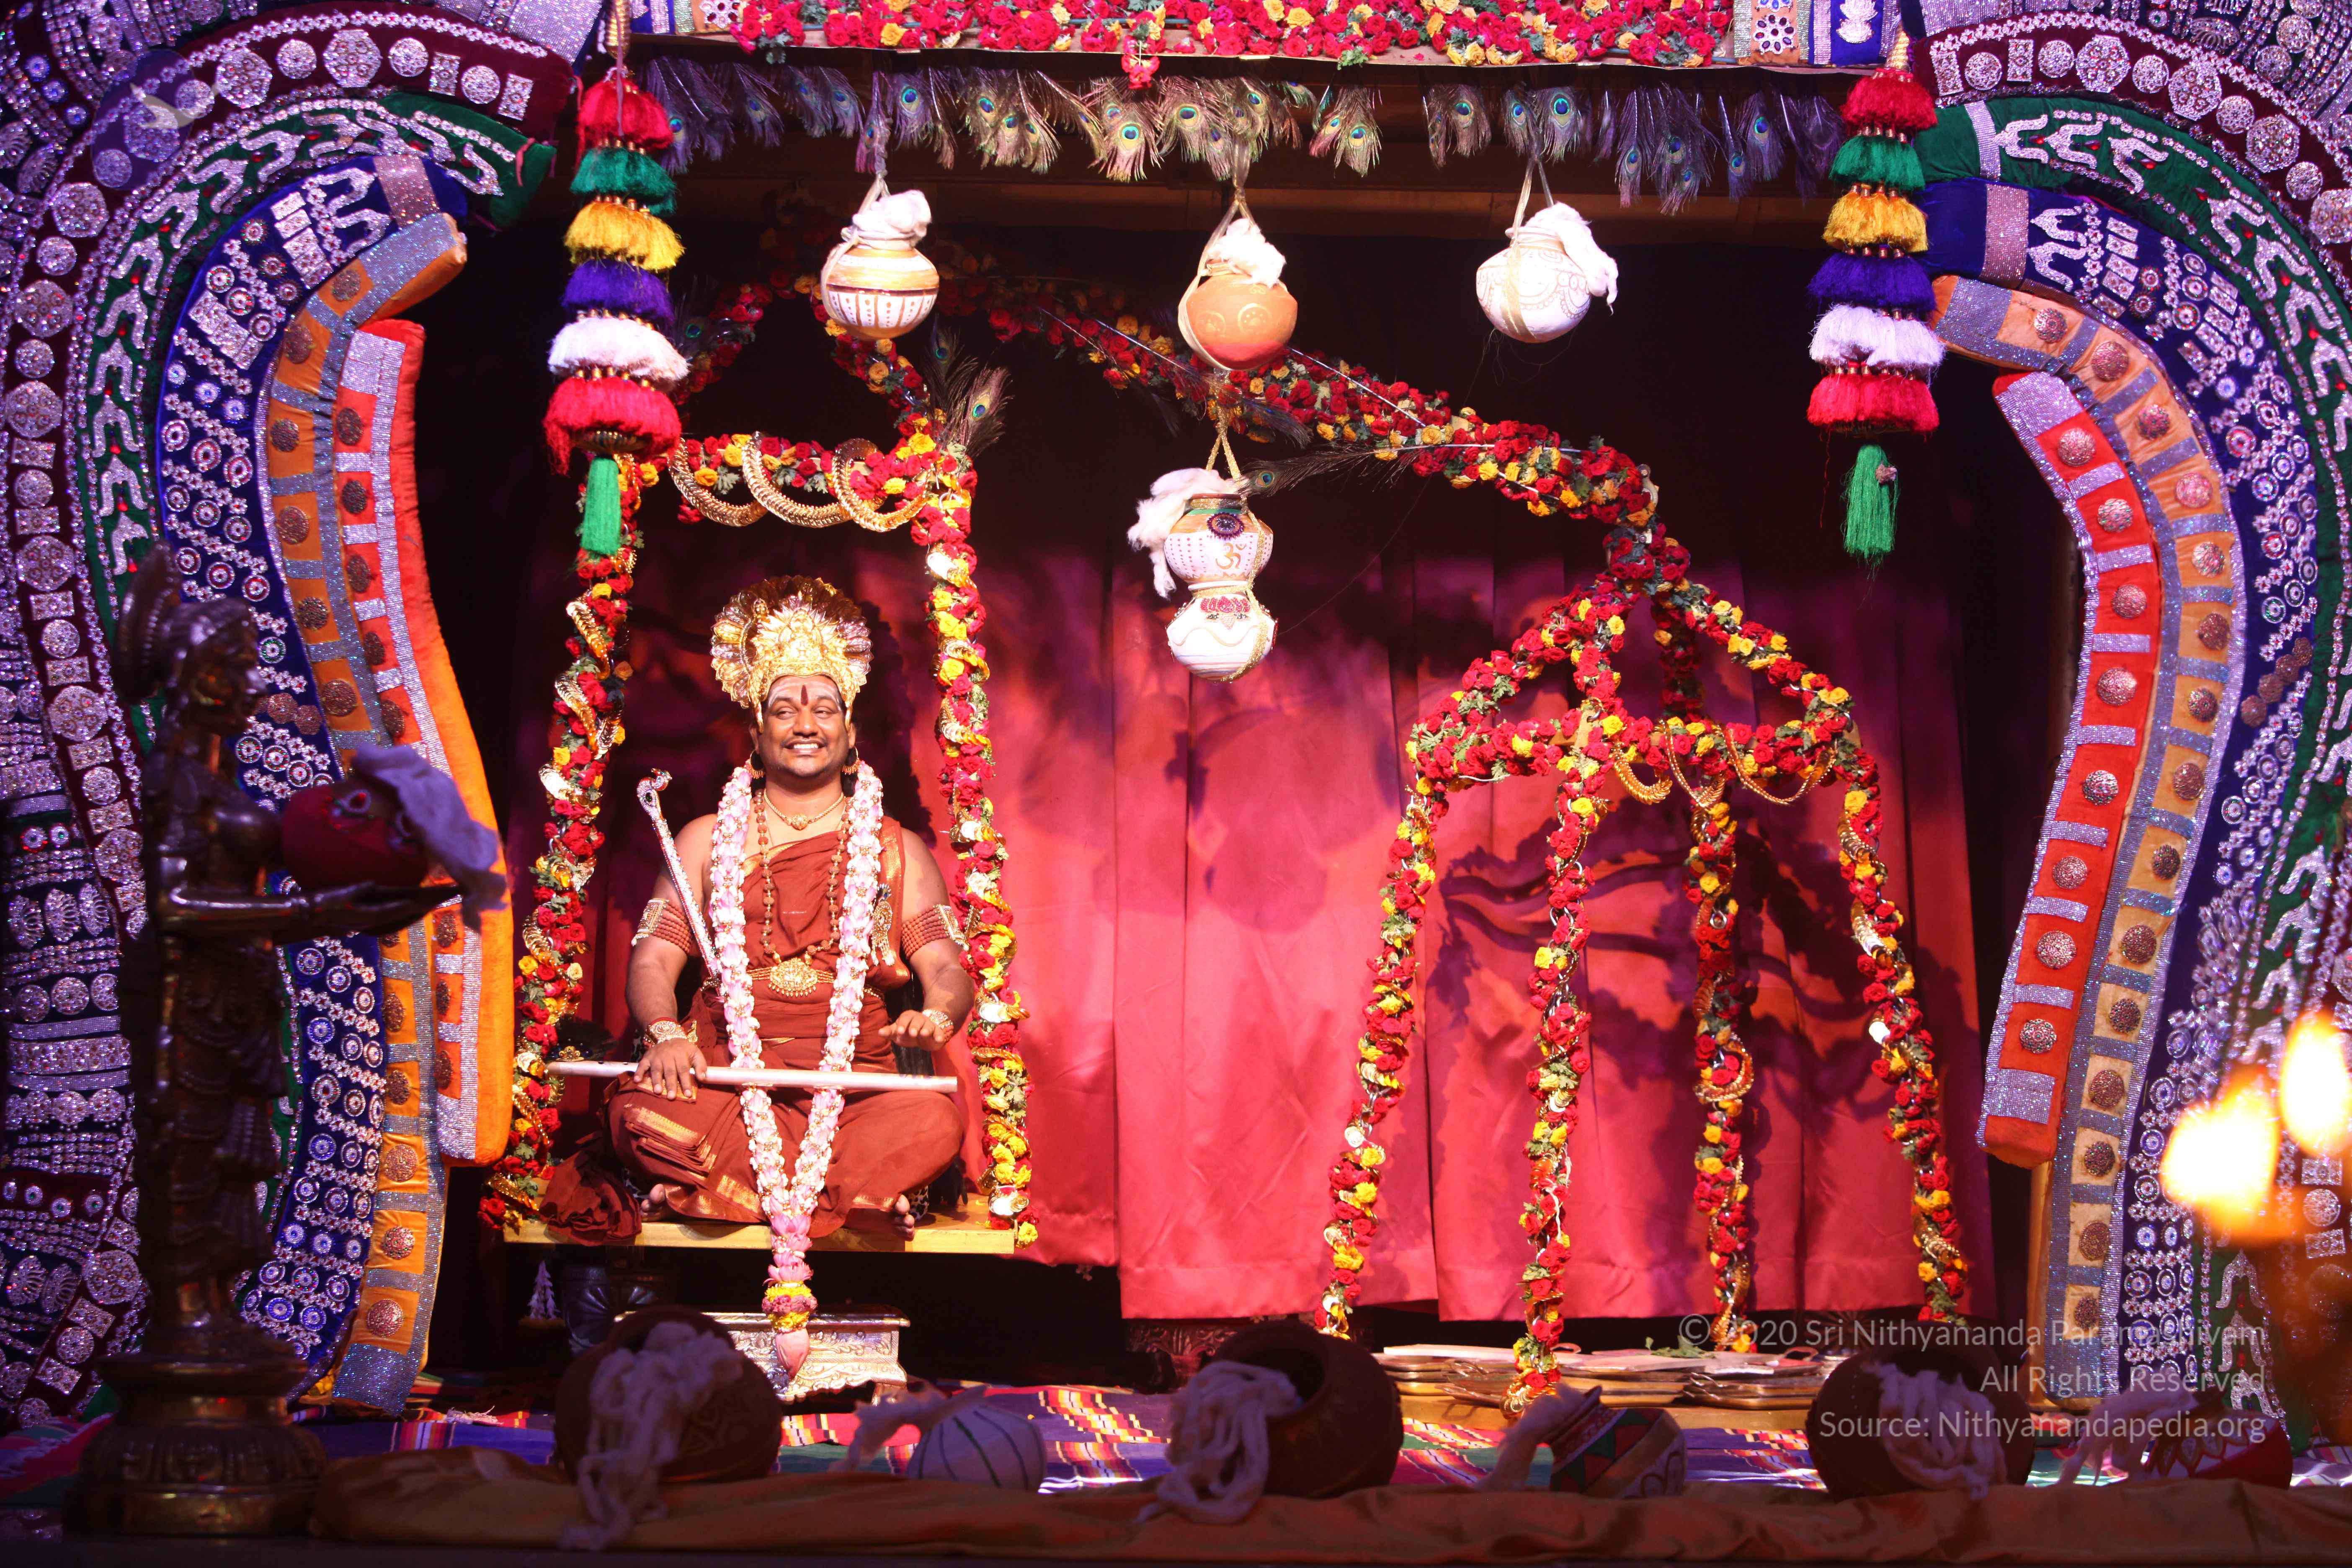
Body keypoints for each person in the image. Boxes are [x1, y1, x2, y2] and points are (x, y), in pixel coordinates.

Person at [605, 576, 970, 1241]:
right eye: (784, 710)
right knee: (641, 1112)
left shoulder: (895, 846)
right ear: (756, 730)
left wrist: (938, 1016)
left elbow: (945, 967)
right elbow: (654, 959)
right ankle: (854, 1195)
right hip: (723, 1073)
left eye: (825, 709)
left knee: (931, 1122)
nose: (806, 725)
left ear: (849, 732)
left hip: (857, 1085)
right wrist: (664, 1034)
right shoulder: (704, 839)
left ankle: (706, 1190)